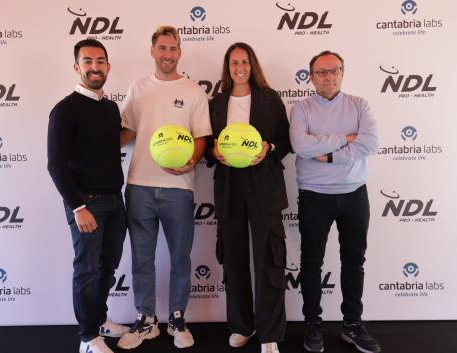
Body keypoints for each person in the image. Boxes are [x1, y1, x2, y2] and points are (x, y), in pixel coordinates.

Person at [116, 25, 211, 350]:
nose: (168, 54)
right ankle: (146, 320)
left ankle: (177, 318)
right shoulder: (138, 88)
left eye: (173, 48)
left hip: (178, 188)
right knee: (142, 259)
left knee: (180, 258)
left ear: (179, 52)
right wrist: (95, 146)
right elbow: (126, 131)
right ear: (152, 51)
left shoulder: (194, 91)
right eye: (162, 48)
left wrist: (191, 162)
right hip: (139, 186)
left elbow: (201, 136)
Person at [289, 50, 381, 353]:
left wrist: (328, 154)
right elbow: (301, 146)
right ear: (311, 76)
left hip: (355, 193)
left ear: (342, 72)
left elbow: (370, 143)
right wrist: (347, 138)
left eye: (334, 70)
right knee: (311, 262)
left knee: (354, 261)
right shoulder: (301, 109)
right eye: (321, 72)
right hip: (314, 194)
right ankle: (312, 323)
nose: (328, 76)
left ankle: (352, 325)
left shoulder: (359, 104)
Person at [205, 42, 291, 353]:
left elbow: (286, 140)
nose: (239, 67)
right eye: (233, 63)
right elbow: (208, 147)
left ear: (252, 64)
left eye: (244, 61)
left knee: (268, 258)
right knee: (234, 258)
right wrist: (214, 152)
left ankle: (269, 333)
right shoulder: (216, 103)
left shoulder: (269, 99)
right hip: (229, 188)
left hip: (265, 187)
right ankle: (242, 325)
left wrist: (268, 148)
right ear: (227, 68)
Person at [47, 39, 129, 353]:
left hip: (114, 201)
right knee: (86, 270)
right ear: (77, 67)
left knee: (107, 267)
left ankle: (99, 320)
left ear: (108, 66)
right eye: (88, 61)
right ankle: (87, 337)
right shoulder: (65, 109)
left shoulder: (109, 107)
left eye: (100, 61)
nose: (95, 67)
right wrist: (78, 206)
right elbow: (55, 165)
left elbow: (110, 145)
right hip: (87, 203)